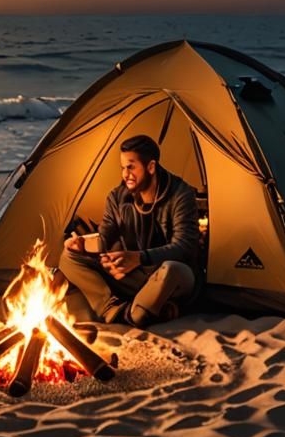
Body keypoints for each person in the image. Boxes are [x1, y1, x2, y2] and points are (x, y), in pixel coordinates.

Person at [58, 134, 200, 327]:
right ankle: (114, 310)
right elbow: (105, 236)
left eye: (131, 167)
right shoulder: (117, 196)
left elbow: (184, 247)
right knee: (68, 256)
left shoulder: (181, 194)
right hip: (132, 275)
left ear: (150, 167)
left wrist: (139, 258)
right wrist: (82, 244)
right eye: (123, 168)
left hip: (168, 275)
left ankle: (141, 312)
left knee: (172, 269)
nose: (126, 174)